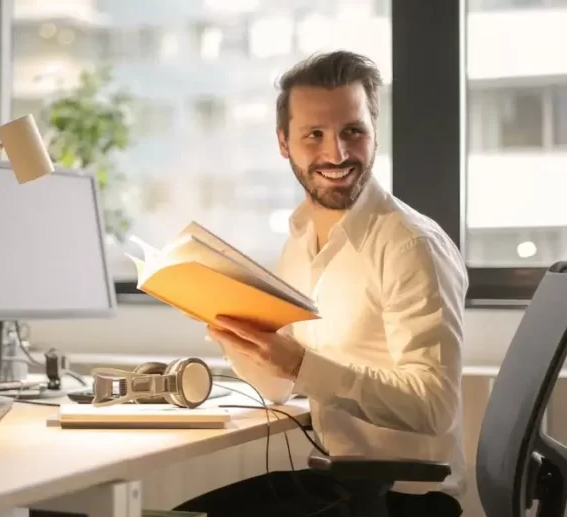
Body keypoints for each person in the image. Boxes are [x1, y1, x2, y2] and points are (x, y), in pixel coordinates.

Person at [173, 50, 469, 517]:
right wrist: (232, 331)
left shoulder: (411, 244)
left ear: (374, 133)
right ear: (283, 143)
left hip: (406, 499)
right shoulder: (300, 239)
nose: (337, 154)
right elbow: (277, 389)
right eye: (314, 135)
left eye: (353, 131)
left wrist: (302, 363)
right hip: (342, 483)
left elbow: (434, 408)